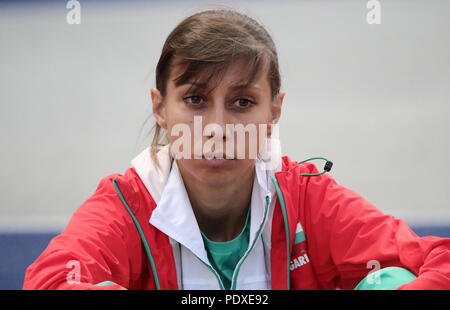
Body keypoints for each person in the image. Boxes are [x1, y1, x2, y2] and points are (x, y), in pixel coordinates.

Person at [23, 9, 449, 290]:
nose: (218, 128)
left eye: (242, 102)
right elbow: (50, 280)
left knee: (393, 279)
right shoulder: (128, 205)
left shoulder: (304, 196)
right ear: (160, 108)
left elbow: (440, 261)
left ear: (274, 111)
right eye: (195, 100)